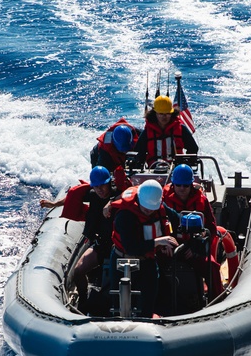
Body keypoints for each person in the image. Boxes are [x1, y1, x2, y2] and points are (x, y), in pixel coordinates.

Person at [40, 166, 118, 310]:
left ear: (109, 183)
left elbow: (132, 193)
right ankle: (84, 301)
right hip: (101, 244)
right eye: (97, 186)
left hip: (119, 247)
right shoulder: (93, 194)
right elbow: (72, 198)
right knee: (78, 271)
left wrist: (112, 202)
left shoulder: (119, 193)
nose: (100, 189)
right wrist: (53, 204)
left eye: (103, 185)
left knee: (117, 276)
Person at [108, 179, 181, 317]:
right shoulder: (125, 216)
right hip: (122, 261)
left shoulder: (160, 208)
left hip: (147, 262)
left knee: (148, 302)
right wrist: (159, 241)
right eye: (145, 207)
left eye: (151, 208)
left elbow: (176, 220)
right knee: (118, 305)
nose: (148, 211)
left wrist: (167, 241)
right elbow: (131, 247)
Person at [162, 164, 222, 299]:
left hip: (194, 248)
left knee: (212, 266)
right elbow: (155, 223)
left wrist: (197, 247)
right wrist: (163, 244)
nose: (182, 189)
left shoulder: (202, 200)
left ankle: (217, 300)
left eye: (186, 185)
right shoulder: (163, 199)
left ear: (191, 185)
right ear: (173, 184)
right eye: (178, 185)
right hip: (169, 247)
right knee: (151, 266)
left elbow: (211, 229)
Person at [133, 95, 198, 166]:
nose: (164, 117)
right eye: (161, 114)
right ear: (155, 113)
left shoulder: (181, 129)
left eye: (167, 113)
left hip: (177, 170)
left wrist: (187, 163)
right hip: (153, 171)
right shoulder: (147, 131)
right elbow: (138, 152)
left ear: (171, 113)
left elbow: (193, 148)